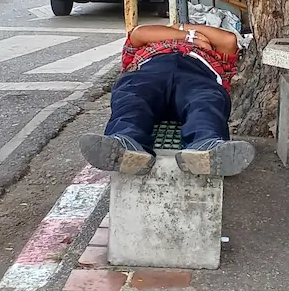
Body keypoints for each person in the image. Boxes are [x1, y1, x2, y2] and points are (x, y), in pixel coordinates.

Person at [80, 22, 255, 177]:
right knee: (132, 97)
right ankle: (125, 143)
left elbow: (229, 40)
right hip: (150, 71)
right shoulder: (148, 47)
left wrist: (178, 29)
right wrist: (190, 35)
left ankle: (207, 146)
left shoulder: (215, 55)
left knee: (206, 102)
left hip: (198, 75)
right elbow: (139, 33)